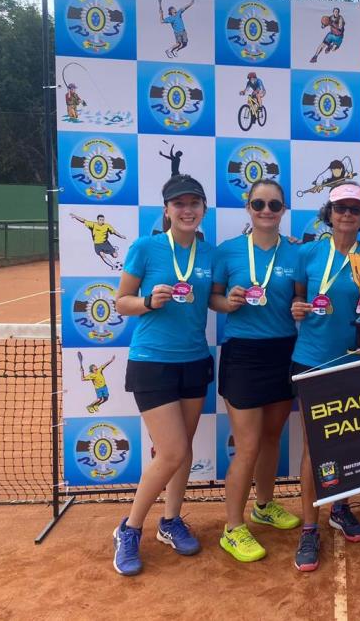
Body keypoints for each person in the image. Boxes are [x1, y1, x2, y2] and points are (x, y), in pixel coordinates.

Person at [111, 174, 216, 576]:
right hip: (152, 361)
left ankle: (170, 521)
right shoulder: (146, 247)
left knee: (183, 450)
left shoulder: (209, 254)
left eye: (194, 203)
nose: (187, 210)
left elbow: (217, 298)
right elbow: (121, 302)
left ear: (203, 209)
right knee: (170, 451)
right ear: (167, 210)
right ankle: (129, 528)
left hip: (194, 360)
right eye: (179, 204)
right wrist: (147, 302)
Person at [209, 179, 301, 564]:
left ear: (283, 210)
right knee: (247, 445)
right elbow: (213, 298)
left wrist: (300, 307)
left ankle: (264, 506)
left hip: (284, 352)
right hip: (244, 355)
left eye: (274, 205)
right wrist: (227, 303)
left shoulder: (296, 252)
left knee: (271, 437)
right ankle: (232, 527)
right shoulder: (228, 251)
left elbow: (299, 299)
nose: (266, 211)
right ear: (248, 207)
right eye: (259, 204)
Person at [289, 182, 360, 572]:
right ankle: (309, 527)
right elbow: (296, 297)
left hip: (355, 360)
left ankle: (340, 507)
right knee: (314, 447)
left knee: (347, 443)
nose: (347, 215)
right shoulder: (307, 253)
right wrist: (297, 307)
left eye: (355, 210)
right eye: (340, 208)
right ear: (329, 213)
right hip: (311, 359)